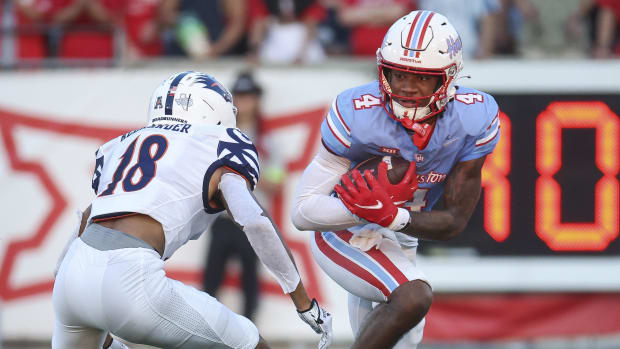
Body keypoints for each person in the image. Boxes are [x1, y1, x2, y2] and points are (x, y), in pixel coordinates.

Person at [52, 71, 333, 349]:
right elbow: (254, 221)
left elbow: (89, 216)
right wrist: (304, 304)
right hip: (132, 278)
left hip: (72, 277)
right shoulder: (216, 144)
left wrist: (67, 281)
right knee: (251, 343)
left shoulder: (121, 144)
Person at [291, 10, 500, 349]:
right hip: (343, 231)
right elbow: (302, 213)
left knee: (398, 341)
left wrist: (392, 217)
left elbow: (454, 221)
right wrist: (367, 210)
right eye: (398, 74)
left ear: (447, 78)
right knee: (413, 296)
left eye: (421, 78)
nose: (406, 88)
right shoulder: (357, 114)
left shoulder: (473, 117)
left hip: (401, 233)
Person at [202, 72, 268, 321]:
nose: (245, 102)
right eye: (240, 96)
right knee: (211, 279)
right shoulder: (219, 134)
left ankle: (249, 336)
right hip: (221, 218)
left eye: (249, 96)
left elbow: (276, 179)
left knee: (250, 280)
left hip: (251, 218)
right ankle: (206, 331)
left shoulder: (266, 139)